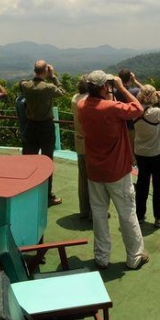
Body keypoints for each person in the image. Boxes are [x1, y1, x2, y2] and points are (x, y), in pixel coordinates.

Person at [78, 70, 149, 270]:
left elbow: (96, 103)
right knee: (127, 213)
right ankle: (134, 256)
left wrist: (109, 90)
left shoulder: (82, 106)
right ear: (103, 87)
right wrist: (120, 87)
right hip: (117, 171)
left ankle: (101, 258)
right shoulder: (111, 108)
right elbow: (138, 109)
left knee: (99, 215)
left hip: (95, 171)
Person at [19, 60, 67, 206]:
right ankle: (47, 196)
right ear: (45, 71)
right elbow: (62, 92)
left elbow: (21, 84)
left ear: (34, 70)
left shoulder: (25, 86)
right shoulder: (48, 87)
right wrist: (53, 76)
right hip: (45, 127)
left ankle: (27, 191)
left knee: (28, 161)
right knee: (47, 161)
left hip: (30, 126)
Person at [133, 85, 160, 228]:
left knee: (142, 183)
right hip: (158, 152)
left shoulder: (135, 110)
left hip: (141, 152)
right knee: (158, 185)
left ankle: (139, 215)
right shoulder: (156, 112)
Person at [71, 76, 91, 219]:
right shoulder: (89, 101)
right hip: (91, 144)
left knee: (82, 178)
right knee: (94, 181)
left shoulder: (74, 99)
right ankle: (94, 212)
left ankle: (84, 210)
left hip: (79, 142)